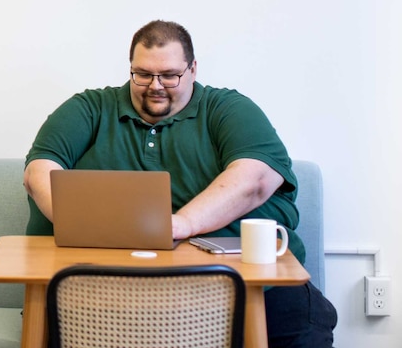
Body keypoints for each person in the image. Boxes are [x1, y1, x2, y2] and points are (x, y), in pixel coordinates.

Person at [23, 20, 337, 348]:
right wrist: (86, 226)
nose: (155, 86)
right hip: (103, 288)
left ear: (193, 69)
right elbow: (38, 173)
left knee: (304, 332)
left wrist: (178, 224)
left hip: (248, 286)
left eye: (169, 75)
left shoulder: (228, 109)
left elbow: (256, 178)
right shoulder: (89, 108)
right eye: (142, 74)